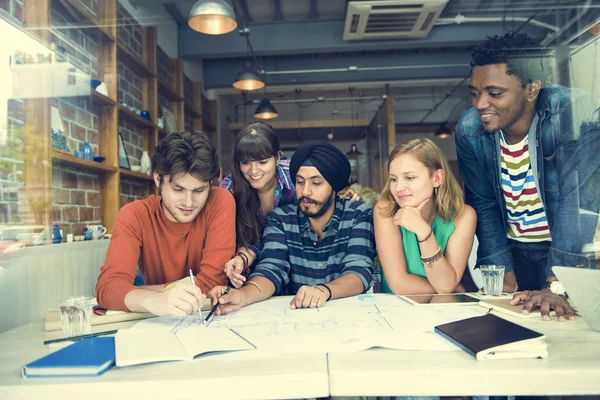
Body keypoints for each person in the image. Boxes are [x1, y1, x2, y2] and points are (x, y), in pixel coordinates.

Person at [455, 32, 600, 320]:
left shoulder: (573, 114)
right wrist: (501, 272)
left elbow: (577, 202)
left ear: (532, 90)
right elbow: (482, 202)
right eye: (474, 92)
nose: (480, 104)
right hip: (514, 250)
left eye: (495, 93)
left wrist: (557, 283)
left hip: (566, 250)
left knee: (569, 329)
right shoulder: (469, 130)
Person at [208, 141, 376, 314]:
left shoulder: (357, 214)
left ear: (334, 186)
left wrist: (323, 291)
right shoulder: (281, 218)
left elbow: (359, 271)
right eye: (300, 182)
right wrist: (242, 296)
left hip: (348, 318)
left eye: (316, 183)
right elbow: (270, 270)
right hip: (292, 320)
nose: (305, 191)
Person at [95, 131, 236, 316]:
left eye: (199, 190)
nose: (188, 202)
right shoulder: (134, 215)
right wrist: (154, 300)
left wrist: (143, 291)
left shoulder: (220, 201)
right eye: (178, 189)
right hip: (157, 322)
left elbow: (212, 282)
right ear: (157, 179)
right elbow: (108, 288)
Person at [220, 121, 359, 288]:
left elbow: (322, 196)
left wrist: (339, 200)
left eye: (262, 162)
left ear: (277, 158)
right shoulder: (229, 190)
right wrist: (241, 258)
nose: (254, 170)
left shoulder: (296, 176)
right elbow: (247, 239)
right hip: (248, 273)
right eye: (245, 162)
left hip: (297, 270)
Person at [374, 139, 477, 295]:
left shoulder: (463, 216)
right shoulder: (386, 211)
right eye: (394, 179)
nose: (399, 188)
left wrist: (424, 233)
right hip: (394, 312)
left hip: (443, 311)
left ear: (437, 178)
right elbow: (399, 285)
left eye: (409, 177)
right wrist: (452, 290)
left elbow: (445, 285)